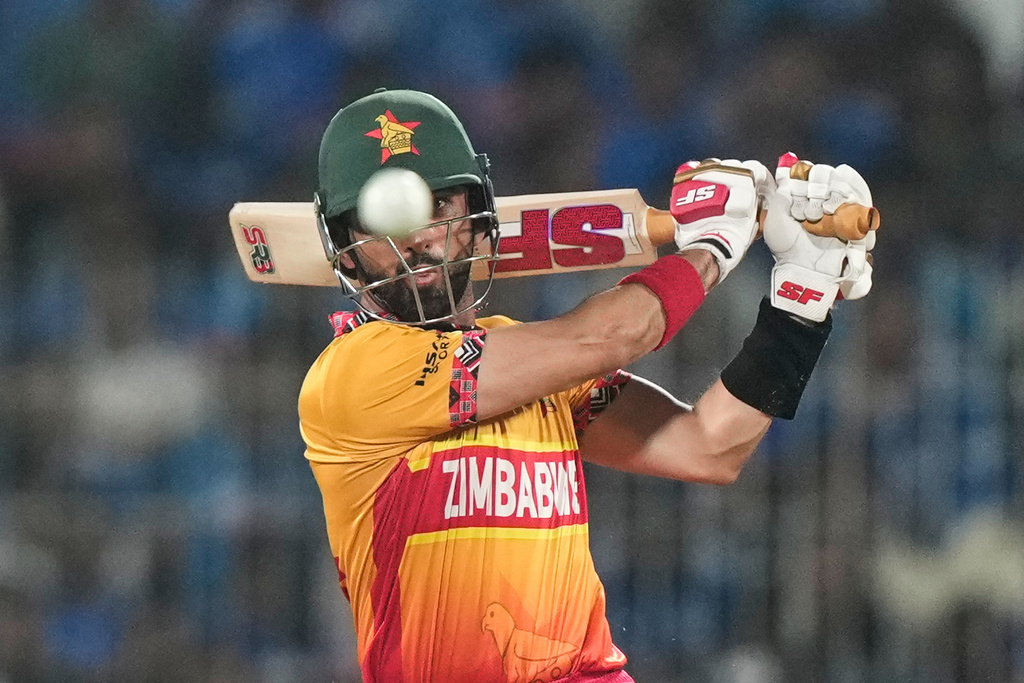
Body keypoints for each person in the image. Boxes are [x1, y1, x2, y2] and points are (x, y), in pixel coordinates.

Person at [298, 88, 876, 683]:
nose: (414, 240)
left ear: (476, 218)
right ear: (345, 253)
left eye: (439, 205)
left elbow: (709, 447)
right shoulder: (354, 375)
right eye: (382, 222)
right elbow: (607, 338)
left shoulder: (540, 370)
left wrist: (800, 299)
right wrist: (714, 245)